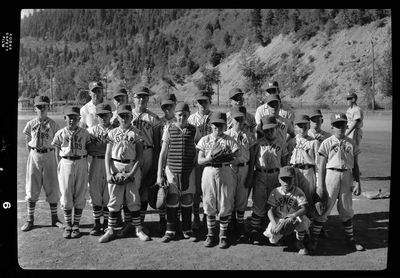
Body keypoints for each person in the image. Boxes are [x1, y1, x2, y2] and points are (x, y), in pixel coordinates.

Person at [308, 113, 365, 252]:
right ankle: (314, 239)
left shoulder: (352, 143)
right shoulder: (327, 142)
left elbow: (356, 165)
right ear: (332, 126)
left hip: (347, 175)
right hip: (331, 175)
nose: (341, 128)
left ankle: (350, 239)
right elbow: (321, 165)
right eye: (337, 125)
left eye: (343, 124)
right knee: (324, 207)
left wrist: (358, 182)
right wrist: (320, 185)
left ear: (347, 125)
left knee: (346, 208)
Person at [98, 104, 150, 243]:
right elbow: (108, 155)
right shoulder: (112, 133)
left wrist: (132, 173)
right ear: (117, 117)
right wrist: (109, 174)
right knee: (114, 200)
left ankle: (138, 229)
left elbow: (139, 156)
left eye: (127, 115)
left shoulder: (137, 133)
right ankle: (110, 230)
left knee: (133, 199)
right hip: (116, 166)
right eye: (121, 116)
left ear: (131, 116)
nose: (124, 118)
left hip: (131, 166)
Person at [157, 102, 200, 243]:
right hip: (171, 169)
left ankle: (187, 229)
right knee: (172, 198)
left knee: (187, 198)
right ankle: (170, 230)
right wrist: (159, 174)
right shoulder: (169, 129)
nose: (182, 117)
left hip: (189, 170)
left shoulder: (194, 130)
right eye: (179, 115)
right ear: (175, 115)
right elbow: (163, 153)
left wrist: (195, 160)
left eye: (185, 115)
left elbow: (200, 146)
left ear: (189, 115)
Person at [197, 112, 239, 248]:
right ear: (210, 125)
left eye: (221, 125)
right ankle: (210, 235)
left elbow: (237, 159)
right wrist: (210, 158)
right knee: (208, 201)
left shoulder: (230, 140)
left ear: (225, 125)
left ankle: (223, 235)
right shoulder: (204, 139)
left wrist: (227, 157)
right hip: (209, 171)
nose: (218, 127)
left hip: (225, 171)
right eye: (215, 124)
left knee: (225, 202)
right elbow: (199, 161)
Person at [21, 96, 63, 232]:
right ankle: (30, 219)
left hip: (50, 154)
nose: (41, 109)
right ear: (35, 108)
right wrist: (33, 154)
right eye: (39, 106)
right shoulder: (30, 124)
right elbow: (28, 142)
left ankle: (55, 219)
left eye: (44, 106)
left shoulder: (54, 125)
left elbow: (58, 143)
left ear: (48, 108)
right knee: (32, 185)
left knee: (52, 185)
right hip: (34, 155)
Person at [52, 106, 92, 239]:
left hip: (81, 162)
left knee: (80, 192)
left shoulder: (85, 133)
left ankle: (76, 225)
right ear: (65, 118)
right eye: (70, 118)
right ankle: (68, 224)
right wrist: (61, 164)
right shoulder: (60, 133)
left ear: (79, 119)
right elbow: (57, 151)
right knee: (66, 192)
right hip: (66, 162)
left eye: (75, 118)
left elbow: (89, 149)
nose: (72, 120)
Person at [249, 115, 289, 245]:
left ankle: (276, 232)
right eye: (266, 130)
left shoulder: (282, 144)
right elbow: (252, 163)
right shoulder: (258, 143)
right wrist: (250, 177)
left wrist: (283, 181)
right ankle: (254, 231)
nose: (269, 132)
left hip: (275, 175)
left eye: (272, 129)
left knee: (275, 205)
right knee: (259, 203)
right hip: (260, 175)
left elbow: (284, 165)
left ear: (277, 128)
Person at [131, 86, 162, 230]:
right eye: (138, 97)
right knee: (132, 187)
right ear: (133, 99)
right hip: (132, 155)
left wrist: (156, 163)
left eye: (144, 97)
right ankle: (131, 222)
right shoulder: (126, 115)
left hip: (148, 153)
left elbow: (156, 142)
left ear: (148, 99)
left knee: (144, 189)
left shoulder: (153, 118)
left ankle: (140, 222)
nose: (141, 99)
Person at [225, 106, 256, 241]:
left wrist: (250, 174)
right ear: (231, 120)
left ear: (245, 119)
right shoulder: (226, 135)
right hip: (231, 168)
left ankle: (240, 224)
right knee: (230, 195)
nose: (239, 122)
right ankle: (231, 222)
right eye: (236, 119)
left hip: (245, 167)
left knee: (242, 196)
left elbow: (253, 156)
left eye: (241, 119)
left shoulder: (249, 135)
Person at [264, 166, 311, 255]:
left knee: (303, 220)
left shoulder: (298, 192)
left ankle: (299, 241)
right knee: (272, 236)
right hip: (279, 219)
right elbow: (269, 209)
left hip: (294, 219)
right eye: (284, 179)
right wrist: (274, 223)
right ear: (279, 179)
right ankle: (284, 237)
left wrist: (293, 215)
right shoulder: (275, 192)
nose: (286, 182)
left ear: (294, 179)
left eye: (289, 179)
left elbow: (304, 209)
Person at [187, 90, 214, 231]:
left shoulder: (214, 117)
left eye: (205, 101)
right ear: (196, 103)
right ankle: (196, 217)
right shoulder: (191, 119)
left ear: (210, 101)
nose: (203, 104)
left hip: (211, 159)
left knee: (209, 191)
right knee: (196, 190)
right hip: (197, 158)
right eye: (200, 101)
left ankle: (207, 216)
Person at [86, 103, 114, 236]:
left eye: (106, 115)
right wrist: (104, 148)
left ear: (111, 115)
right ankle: (97, 223)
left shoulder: (116, 129)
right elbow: (89, 149)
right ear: (96, 116)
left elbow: (114, 151)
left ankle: (107, 223)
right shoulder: (91, 130)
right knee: (95, 192)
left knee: (109, 194)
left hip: (111, 164)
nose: (103, 118)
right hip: (96, 162)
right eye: (100, 115)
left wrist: (99, 147)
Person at [289, 114, 320, 220]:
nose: (303, 128)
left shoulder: (314, 142)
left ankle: (309, 224)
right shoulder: (292, 142)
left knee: (308, 198)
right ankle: (297, 226)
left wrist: (318, 181)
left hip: (308, 171)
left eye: (305, 125)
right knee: (295, 198)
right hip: (295, 170)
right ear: (295, 126)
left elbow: (318, 165)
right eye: (300, 126)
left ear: (309, 126)